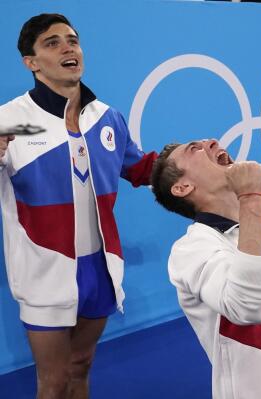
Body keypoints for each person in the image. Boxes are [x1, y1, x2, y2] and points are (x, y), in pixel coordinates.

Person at [0, 13, 157, 399]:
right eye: (52, 43)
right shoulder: (11, 121)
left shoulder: (108, 117)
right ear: (31, 63)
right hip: (43, 272)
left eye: (72, 39)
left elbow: (141, 169)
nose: (68, 47)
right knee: (52, 383)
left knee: (81, 367)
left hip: (100, 268)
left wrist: (196, 164)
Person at [150, 139, 261, 398]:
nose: (212, 142)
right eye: (194, 149)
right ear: (183, 187)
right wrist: (251, 198)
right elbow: (248, 306)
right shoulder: (191, 250)